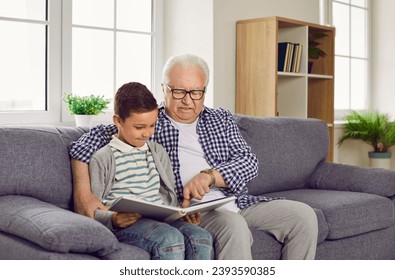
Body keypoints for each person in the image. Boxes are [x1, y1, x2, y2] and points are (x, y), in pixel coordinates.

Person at [70, 54, 318, 260]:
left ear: (204, 91)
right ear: (164, 89)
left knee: (303, 216)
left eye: (196, 93)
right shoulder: (150, 122)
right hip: (194, 211)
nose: (187, 101)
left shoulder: (219, 119)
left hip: (238, 201)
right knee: (234, 226)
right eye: (179, 92)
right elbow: (85, 143)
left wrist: (210, 177)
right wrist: (84, 193)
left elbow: (248, 161)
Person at [86, 81, 213, 260]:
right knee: (169, 238)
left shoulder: (157, 152)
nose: (147, 133)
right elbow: (92, 208)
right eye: (139, 127)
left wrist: (182, 212)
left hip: (160, 219)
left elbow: (168, 196)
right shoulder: (103, 158)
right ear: (118, 121)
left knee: (201, 237)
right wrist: (113, 219)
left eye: (152, 126)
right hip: (128, 225)